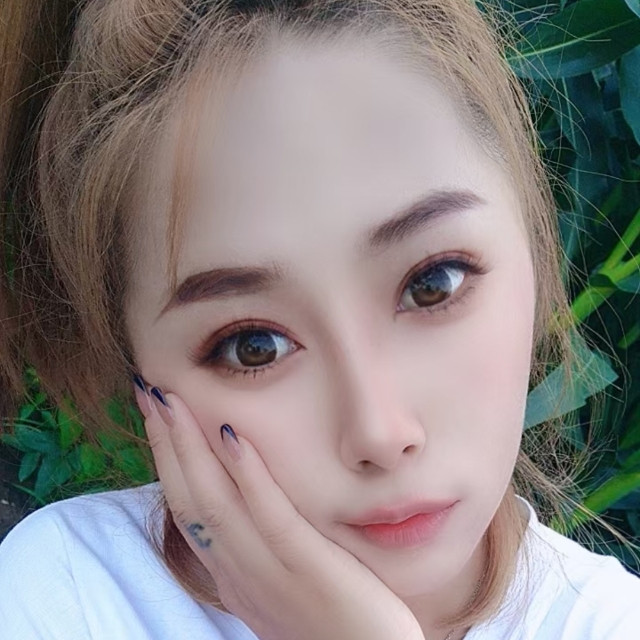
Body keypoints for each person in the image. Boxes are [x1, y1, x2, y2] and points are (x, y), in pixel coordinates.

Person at [0, 0, 639, 638]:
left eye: (433, 285)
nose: (381, 434)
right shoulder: (68, 598)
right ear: (137, 363)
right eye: (253, 346)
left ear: (531, 240)